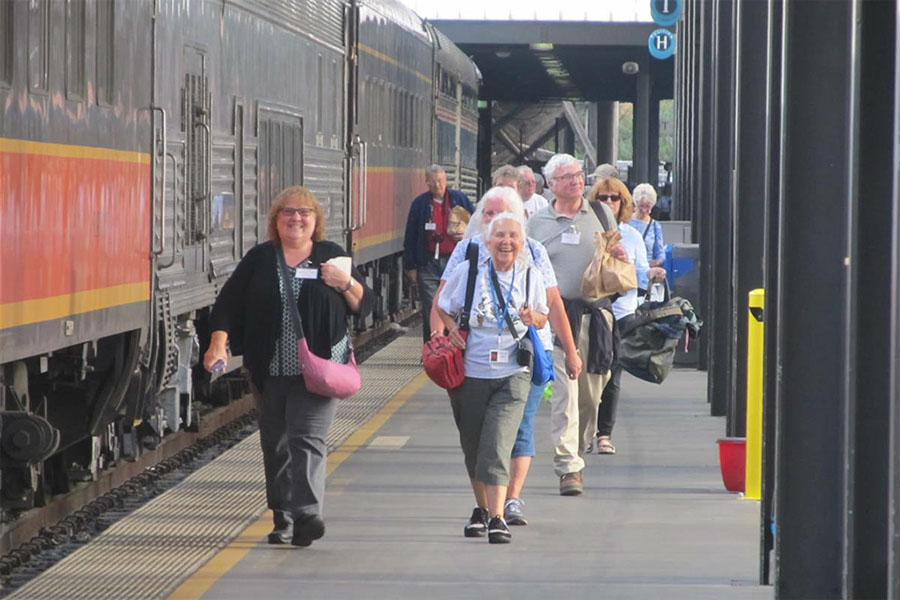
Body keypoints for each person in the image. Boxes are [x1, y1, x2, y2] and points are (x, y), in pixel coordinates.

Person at [203, 186, 373, 547]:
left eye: (304, 213)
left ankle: (307, 514)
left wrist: (346, 284)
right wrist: (218, 341)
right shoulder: (261, 259)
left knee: (308, 440)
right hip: (269, 369)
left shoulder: (331, 256)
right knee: (276, 443)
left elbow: (363, 304)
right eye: (288, 213)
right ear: (275, 221)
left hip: (319, 368)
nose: (296, 218)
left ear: (316, 221)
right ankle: (282, 514)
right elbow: (228, 304)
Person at [430, 186, 582, 526]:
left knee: (513, 432)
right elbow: (442, 301)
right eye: (488, 217)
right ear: (483, 227)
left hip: (525, 356)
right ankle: (484, 507)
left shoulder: (535, 255)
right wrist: (440, 337)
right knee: (477, 440)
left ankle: (507, 504)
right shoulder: (466, 255)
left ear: (521, 225)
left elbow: (552, 305)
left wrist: (569, 350)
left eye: (509, 226)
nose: (501, 234)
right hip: (473, 362)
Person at [435, 212, 550, 544]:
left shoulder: (530, 276)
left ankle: (497, 517)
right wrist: (453, 328)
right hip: (470, 373)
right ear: (486, 241)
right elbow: (443, 304)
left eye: (513, 235)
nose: (506, 242)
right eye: (499, 235)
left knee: (497, 443)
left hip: (513, 373)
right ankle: (480, 509)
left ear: (522, 241)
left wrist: (533, 318)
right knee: (472, 445)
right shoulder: (468, 273)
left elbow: (543, 317)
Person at [526, 153, 628, 496]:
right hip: (556, 317)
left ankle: (581, 442)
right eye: (567, 176)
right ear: (551, 184)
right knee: (565, 395)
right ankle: (568, 466)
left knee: (591, 395)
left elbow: (615, 254)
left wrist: (620, 258)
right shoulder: (537, 223)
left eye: (579, 175)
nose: (576, 180)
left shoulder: (600, 213)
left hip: (596, 314)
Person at [589, 178, 666, 455]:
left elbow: (642, 273)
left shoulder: (631, 236)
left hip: (621, 313)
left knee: (612, 372)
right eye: (603, 197)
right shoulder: (588, 232)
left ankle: (604, 434)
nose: (609, 202)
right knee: (588, 374)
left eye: (614, 198)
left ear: (623, 203)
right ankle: (585, 428)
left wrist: (647, 271)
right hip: (591, 310)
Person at [403, 165, 475, 342]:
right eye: (433, 181)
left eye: (441, 181)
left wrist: (465, 235)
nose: (437, 185)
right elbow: (410, 235)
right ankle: (433, 347)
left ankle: (453, 344)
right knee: (432, 307)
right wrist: (410, 266)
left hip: (454, 261)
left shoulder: (459, 199)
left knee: (455, 305)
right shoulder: (420, 204)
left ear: (446, 181)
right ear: (427, 182)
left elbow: (475, 224)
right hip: (428, 262)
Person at [630, 183, 666, 269]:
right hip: (628, 271)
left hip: (646, 272)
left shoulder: (655, 226)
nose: (644, 210)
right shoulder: (625, 222)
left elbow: (660, 252)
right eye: (641, 206)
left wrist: (658, 261)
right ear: (635, 203)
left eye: (648, 207)